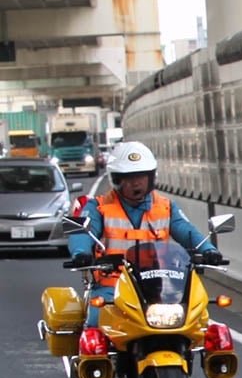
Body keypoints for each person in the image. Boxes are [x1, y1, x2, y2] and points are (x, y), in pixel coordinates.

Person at [66, 140, 223, 326]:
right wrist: (81, 253)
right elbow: (83, 233)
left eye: (141, 176)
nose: (136, 182)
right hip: (114, 286)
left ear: (151, 178)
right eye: (129, 177)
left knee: (201, 323)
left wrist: (208, 250)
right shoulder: (99, 207)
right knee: (95, 323)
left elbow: (187, 231)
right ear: (117, 179)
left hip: (161, 284)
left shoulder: (165, 206)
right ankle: (91, 355)